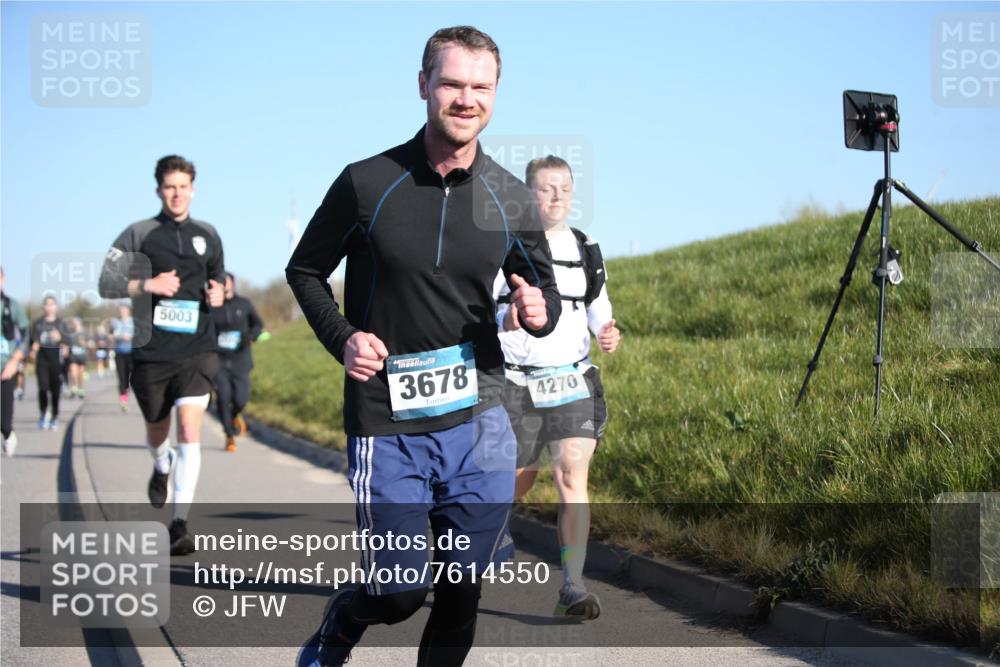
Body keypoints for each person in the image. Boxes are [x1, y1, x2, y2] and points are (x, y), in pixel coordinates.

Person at [287, 26, 560, 667]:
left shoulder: (511, 197)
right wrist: (345, 337)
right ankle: (342, 619)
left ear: (496, 93)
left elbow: (540, 289)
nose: (466, 99)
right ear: (423, 86)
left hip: (481, 419)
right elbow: (305, 271)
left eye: (480, 87)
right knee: (401, 591)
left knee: (462, 590)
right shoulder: (366, 181)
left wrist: (537, 312)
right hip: (388, 421)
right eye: (452, 83)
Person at [494, 156, 621, 620]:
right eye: (546, 188)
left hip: (572, 377)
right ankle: (487, 534)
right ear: (528, 195)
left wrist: (608, 331)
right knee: (516, 480)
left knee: (571, 473)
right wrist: (505, 317)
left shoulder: (586, 247)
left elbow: (598, 309)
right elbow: (484, 310)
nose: (556, 196)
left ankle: (573, 584)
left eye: (564, 188)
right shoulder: (505, 247)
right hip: (517, 382)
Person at [98, 154, 225, 556]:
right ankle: (160, 463)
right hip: (152, 352)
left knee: (190, 428)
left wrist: (219, 292)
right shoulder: (139, 233)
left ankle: (179, 522)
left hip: (197, 349)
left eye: (183, 186)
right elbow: (106, 282)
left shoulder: (208, 234)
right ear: (159, 190)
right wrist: (148, 283)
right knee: (157, 431)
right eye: (170, 186)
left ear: (193, 189)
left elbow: (219, 278)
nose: (176, 194)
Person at [211, 272, 263, 452]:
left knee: (240, 399)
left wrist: (251, 336)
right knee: (223, 397)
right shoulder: (211, 307)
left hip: (241, 359)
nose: (222, 285)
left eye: (225, 282)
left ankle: (235, 415)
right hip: (219, 360)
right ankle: (229, 435)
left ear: (232, 284)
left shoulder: (244, 304)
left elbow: (258, 324)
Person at [1, 268, 29, 456]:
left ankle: (8, 433)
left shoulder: (11, 306)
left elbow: (27, 335)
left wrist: (15, 360)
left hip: (6, 368)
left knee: (3, 421)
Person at [29, 296, 67, 431]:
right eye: (47, 304)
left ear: (56, 307)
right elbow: (32, 341)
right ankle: (43, 413)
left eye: (52, 304)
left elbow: (68, 341)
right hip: (42, 360)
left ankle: (55, 416)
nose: (49, 307)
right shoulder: (38, 323)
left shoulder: (61, 323)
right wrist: (33, 348)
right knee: (43, 388)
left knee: (56, 391)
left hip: (56, 361)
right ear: (43, 307)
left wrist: (61, 339)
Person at [110, 304, 135, 411]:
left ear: (128, 311)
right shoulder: (114, 322)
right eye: (121, 310)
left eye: (124, 310)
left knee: (132, 377)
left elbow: (140, 335)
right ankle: (123, 400)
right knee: (121, 377)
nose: (122, 312)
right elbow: (110, 335)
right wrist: (115, 337)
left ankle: (129, 391)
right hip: (119, 352)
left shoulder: (133, 322)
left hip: (132, 352)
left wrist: (130, 337)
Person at [65, 317, 88, 398]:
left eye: (76, 322)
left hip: (82, 356)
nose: (74, 324)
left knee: (81, 374)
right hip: (73, 356)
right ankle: (74, 388)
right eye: (73, 323)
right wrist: (66, 349)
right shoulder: (70, 333)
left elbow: (90, 343)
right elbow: (67, 343)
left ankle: (81, 389)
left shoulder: (84, 333)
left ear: (79, 323)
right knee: (73, 374)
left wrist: (84, 343)